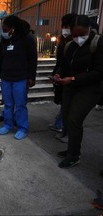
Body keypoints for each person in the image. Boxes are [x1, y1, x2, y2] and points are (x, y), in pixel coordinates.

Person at [54, 15, 103, 168]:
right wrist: (59, 74)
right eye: (74, 35)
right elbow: (65, 64)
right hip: (70, 86)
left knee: (75, 119)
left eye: (81, 35)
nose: (77, 38)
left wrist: (74, 79)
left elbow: (99, 72)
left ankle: (74, 156)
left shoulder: (98, 43)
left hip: (89, 89)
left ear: (89, 29)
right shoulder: (70, 45)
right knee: (68, 117)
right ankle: (71, 149)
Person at [0, 15, 37, 140]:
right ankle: (8, 125)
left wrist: (31, 77)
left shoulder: (27, 38)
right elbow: (1, 58)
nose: (4, 31)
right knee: (8, 104)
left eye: (6, 29)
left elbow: (33, 59)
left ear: (13, 28)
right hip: (6, 78)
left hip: (21, 78)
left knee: (20, 104)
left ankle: (23, 128)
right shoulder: (5, 40)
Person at [49, 13, 77, 142]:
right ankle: (60, 124)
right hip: (61, 75)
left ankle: (66, 130)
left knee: (70, 106)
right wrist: (57, 73)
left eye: (67, 26)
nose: (64, 29)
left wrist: (71, 78)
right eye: (63, 26)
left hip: (73, 79)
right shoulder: (63, 41)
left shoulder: (77, 43)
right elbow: (61, 61)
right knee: (64, 103)